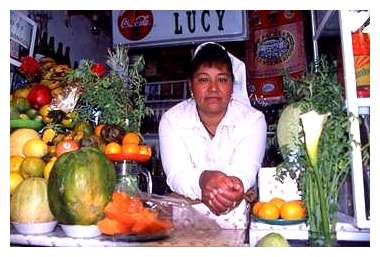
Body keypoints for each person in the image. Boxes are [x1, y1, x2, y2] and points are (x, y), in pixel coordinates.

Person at [158, 42, 267, 229]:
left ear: (233, 85)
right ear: (191, 85)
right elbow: (177, 173)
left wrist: (233, 187)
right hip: (185, 223)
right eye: (203, 79)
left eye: (222, 79)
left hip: (238, 220)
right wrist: (203, 180)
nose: (213, 88)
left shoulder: (253, 120)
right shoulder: (172, 120)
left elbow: (245, 170)